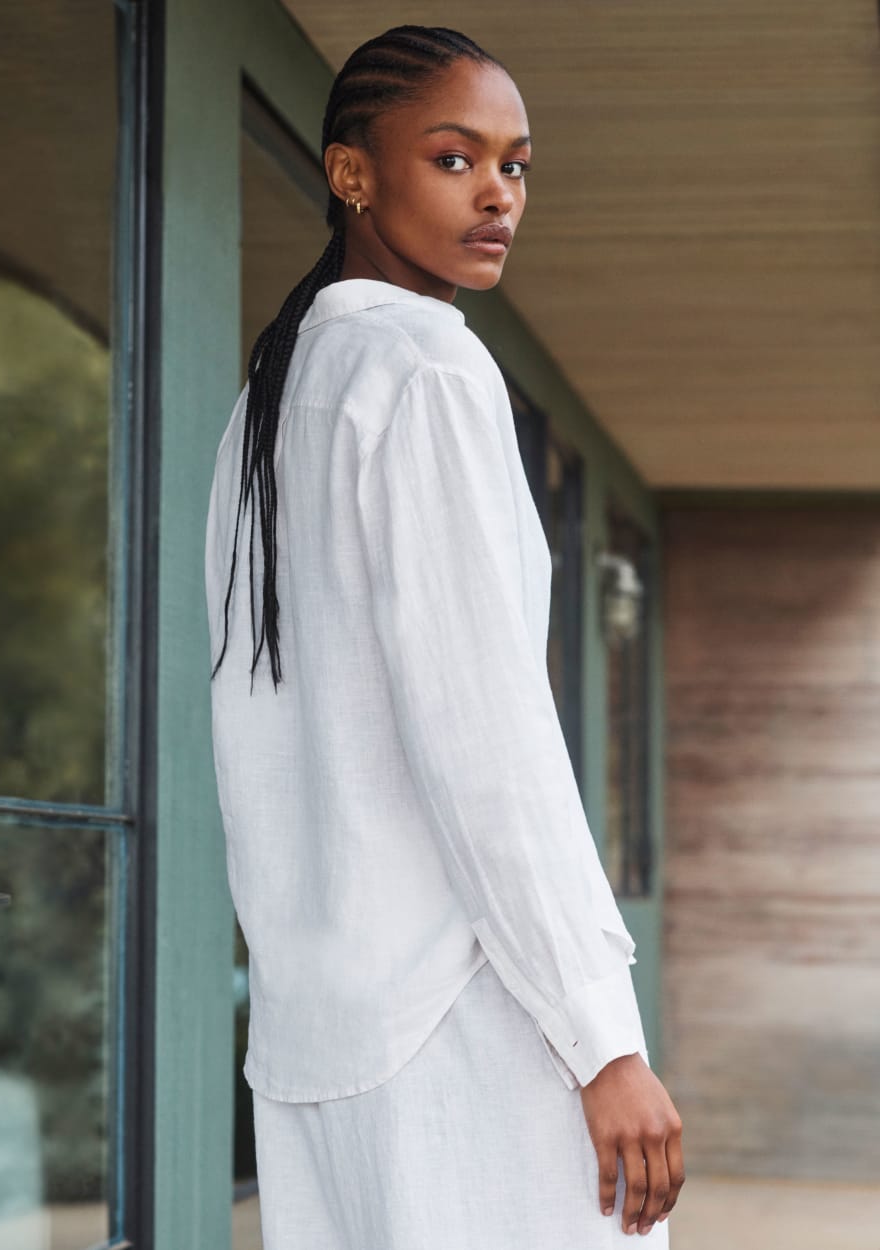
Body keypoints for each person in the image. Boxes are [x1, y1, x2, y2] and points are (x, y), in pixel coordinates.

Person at [205, 24, 684, 1248]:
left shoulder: (268, 403)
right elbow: (483, 737)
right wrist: (602, 1038)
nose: (496, 195)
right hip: (463, 1010)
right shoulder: (423, 371)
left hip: (321, 1030)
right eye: (454, 156)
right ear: (351, 172)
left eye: (514, 166)